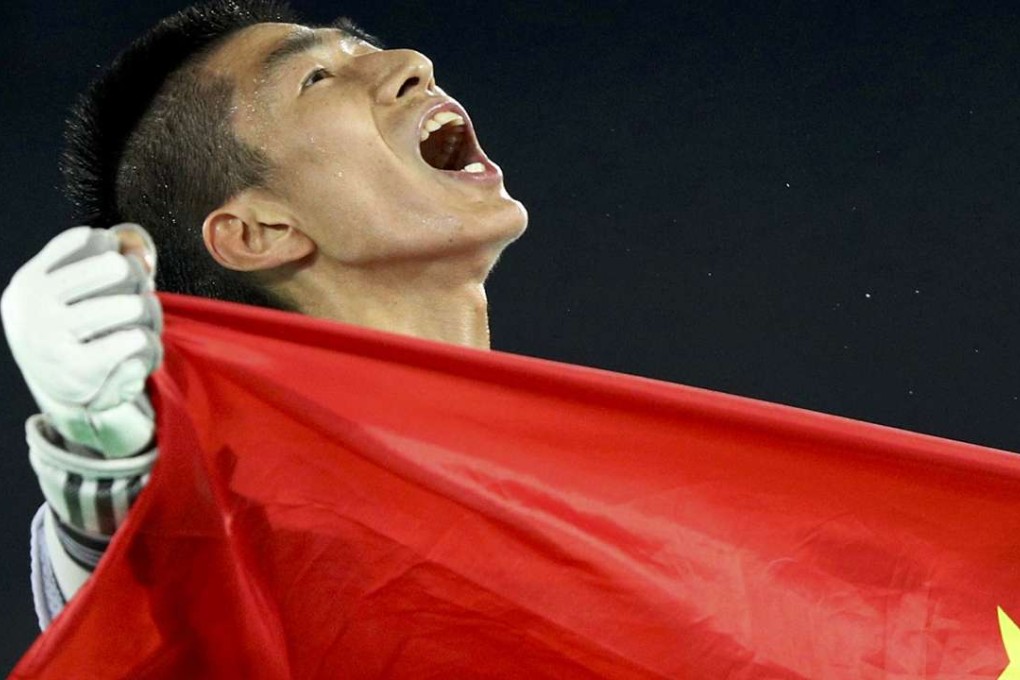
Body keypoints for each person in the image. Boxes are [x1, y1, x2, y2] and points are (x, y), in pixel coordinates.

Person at [1, 0, 527, 629]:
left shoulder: (599, 474)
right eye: (317, 78)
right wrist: (96, 465)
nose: (414, 63)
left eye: (361, 50)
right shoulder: (256, 525)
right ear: (260, 231)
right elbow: (147, 624)